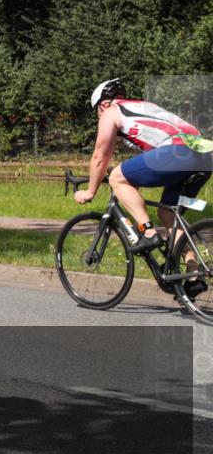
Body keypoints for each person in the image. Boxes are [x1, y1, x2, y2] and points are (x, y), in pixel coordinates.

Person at [74, 79, 212, 296]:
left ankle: (148, 232)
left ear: (102, 104)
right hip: (204, 155)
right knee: (168, 214)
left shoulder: (112, 111)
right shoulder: (145, 106)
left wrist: (90, 191)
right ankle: (193, 274)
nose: (99, 117)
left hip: (176, 153)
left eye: (97, 113)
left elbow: (100, 155)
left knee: (118, 178)